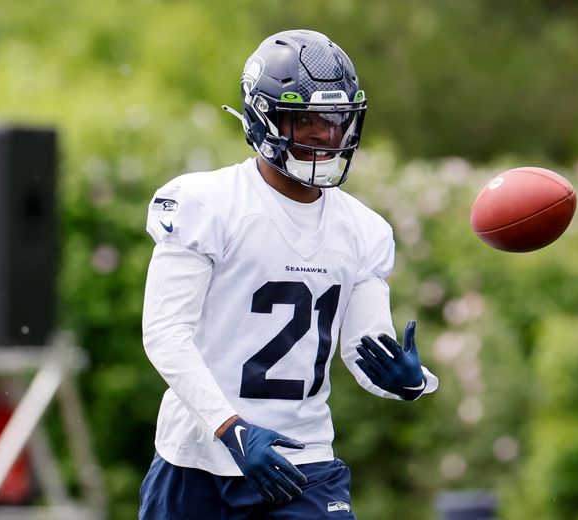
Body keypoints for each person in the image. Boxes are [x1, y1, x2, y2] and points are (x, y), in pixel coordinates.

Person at [138, 29, 438, 519]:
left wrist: (410, 381)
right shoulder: (206, 204)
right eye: (305, 118)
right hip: (196, 459)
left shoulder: (363, 230)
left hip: (303, 463)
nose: (324, 134)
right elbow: (165, 335)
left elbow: (367, 350)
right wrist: (230, 427)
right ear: (264, 117)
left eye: (335, 120)